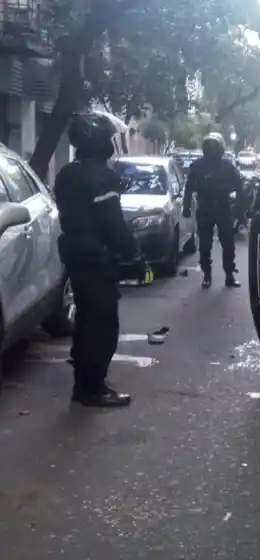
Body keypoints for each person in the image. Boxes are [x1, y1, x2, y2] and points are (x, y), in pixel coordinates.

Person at [54, 112, 151, 407]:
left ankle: (84, 385)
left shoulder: (67, 174)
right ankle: (92, 388)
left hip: (75, 256)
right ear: (96, 140)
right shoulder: (100, 176)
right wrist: (135, 256)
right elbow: (113, 224)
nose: (111, 144)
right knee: (102, 325)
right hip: (97, 259)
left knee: (85, 321)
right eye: (108, 138)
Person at [184, 133, 242, 288]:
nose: (212, 150)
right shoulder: (197, 166)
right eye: (209, 147)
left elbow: (239, 185)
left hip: (223, 207)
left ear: (220, 148)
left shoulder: (227, 166)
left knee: (228, 244)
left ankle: (229, 274)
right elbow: (189, 187)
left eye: (214, 147)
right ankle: (207, 275)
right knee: (204, 245)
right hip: (205, 208)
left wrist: (240, 210)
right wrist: (186, 207)